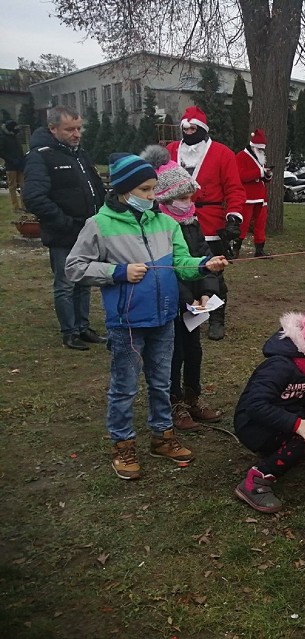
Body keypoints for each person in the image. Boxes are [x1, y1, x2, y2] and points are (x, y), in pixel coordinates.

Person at [65, 153, 228, 479]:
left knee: (160, 382)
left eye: (154, 189)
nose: (152, 196)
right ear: (125, 190)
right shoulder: (99, 225)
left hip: (164, 319)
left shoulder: (166, 223)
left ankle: (162, 437)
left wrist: (202, 265)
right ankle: (123, 446)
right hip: (127, 323)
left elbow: (180, 261)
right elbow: (74, 268)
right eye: (145, 190)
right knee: (124, 387)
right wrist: (118, 272)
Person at [140, 144, 223, 431]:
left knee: (194, 351)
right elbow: (171, 268)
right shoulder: (159, 228)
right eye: (183, 198)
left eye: (191, 196)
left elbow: (203, 259)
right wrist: (188, 299)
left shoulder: (191, 223)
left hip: (193, 305)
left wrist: (206, 292)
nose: (189, 202)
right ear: (165, 199)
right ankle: (173, 401)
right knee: (172, 354)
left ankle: (193, 396)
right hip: (171, 303)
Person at [233, 310, 305, 514]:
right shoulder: (279, 366)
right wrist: (296, 424)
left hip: (280, 415)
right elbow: (255, 405)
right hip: (253, 425)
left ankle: (280, 453)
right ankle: (256, 480)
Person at [23, 105, 107, 350]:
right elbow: (35, 197)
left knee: (83, 282)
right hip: (63, 234)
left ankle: (83, 327)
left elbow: (95, 188)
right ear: (53, 128)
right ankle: (69, 331)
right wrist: (64, 222)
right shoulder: (41, 156)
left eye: (79, 128)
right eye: (70, 129)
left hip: (87, 230)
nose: (76, 134)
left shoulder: (80, 154)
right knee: (66, 283)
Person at [167, 106, 244, 340]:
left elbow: (234, 189)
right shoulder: (170, 150)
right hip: (173, 221)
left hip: (209, 223)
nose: (189, 132)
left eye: (193, 128)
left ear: (203, 129)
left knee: (214, 273)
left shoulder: (222, 153)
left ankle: (217, 317)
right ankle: (188, 316)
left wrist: (233, 216)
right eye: (185, 128)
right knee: (179, 272)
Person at [234, 128, 273, 258]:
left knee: (260, 224)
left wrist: (267, 175)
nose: (262, 151)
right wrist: (260, 173)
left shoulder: (260, 156)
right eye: (260, 149)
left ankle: (260, 249)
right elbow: (240, 176)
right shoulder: (241, 156)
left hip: (260, 196)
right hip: (247, 196)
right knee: (243, 224)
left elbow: (261, 177)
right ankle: (236, 249)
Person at [0, 119, 26, 212]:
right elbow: (1, 152)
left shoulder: (15, 136)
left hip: (20, 164)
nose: (17, 129)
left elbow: (20, 150)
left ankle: (24, 206)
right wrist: (11, 160)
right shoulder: (3, 138)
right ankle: (15, 207)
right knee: (12, 186)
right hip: (10, 166)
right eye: (15, 127)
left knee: (23, 186)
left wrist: (23, 160)